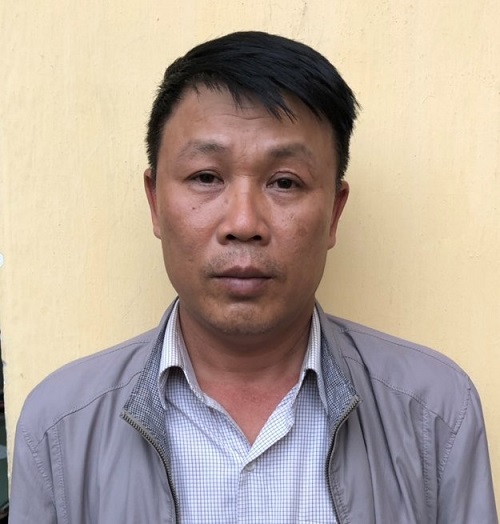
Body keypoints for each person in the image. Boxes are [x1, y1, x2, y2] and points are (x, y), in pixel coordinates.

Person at [10, 31, 497, 523]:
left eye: (284, 182)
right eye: (206, 177)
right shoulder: (58, 429)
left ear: (334, 213)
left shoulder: (435, 414)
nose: (243, 223)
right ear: (155, 202)